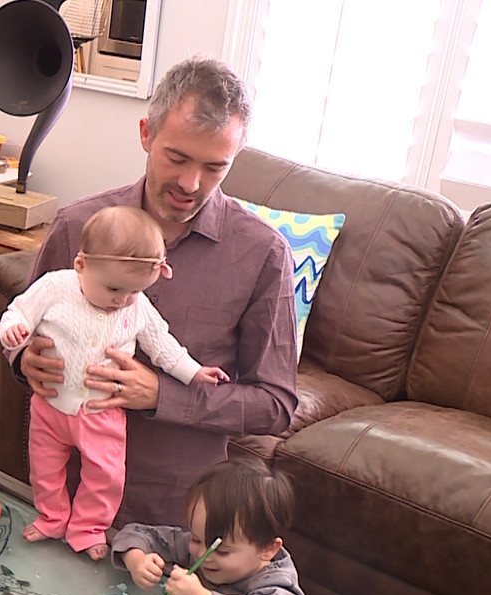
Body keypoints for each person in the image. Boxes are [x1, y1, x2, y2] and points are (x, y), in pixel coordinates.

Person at [16, 56, 299, 529]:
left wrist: (160, 395)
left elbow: (276, 405)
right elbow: (22, 331)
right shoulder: (75, 227)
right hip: (61, 493)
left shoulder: (263, 255)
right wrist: (24, 361)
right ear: (146, 134)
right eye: (177, 158)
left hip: (175, 510)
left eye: (215, 167)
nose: (191, 184)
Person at [0, 206, 229, 560]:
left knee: (106, 476)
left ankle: (89, 528)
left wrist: (194, 371)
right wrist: (14, 332)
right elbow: (18, 312)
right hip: (50, 404)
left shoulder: (136, 307)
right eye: (113, 289)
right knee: (44, 467)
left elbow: (162, 345)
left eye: (134, 292)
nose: (121, 301)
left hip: (100, 411)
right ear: (81, 265)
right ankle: (53, 516)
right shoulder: (55, 287)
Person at [114, 457, 311, 595]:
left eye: (222, 551)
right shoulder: (199, 549)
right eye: (196, 538)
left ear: (267, 549)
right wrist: (137, 559)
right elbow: (137, 533)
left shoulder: (276, 583)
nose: (202, 555)